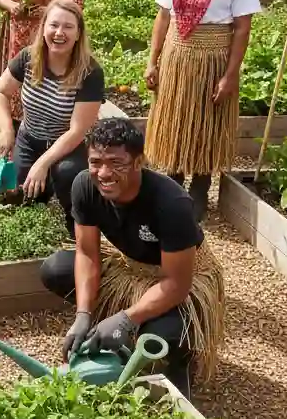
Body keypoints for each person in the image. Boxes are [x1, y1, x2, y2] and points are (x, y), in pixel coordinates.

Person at [39, 118, 225, 400]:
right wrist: (83, 314)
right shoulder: (85, 187)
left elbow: (177, 284)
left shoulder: (171, 204)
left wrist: (127, 319)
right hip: (130, 268)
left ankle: (179, 358)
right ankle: (107, 326)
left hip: (177, 280)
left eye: (116, 162)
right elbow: (88, 253)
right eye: (96, 162)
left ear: (139, 162)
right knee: (56, 269)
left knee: (162, 334)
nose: (104, 173)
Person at [144, 0, 261, 221]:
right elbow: (163, 16)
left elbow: (242, 27)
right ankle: (173, 182)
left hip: (214, 57)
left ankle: (199, 187)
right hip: (177, 55)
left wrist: (230, 74)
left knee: (206, 122)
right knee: (176, 118)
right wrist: (153, 60)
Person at [0, 0, 104, 233]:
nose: (59, 33)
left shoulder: (90, 72)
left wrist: (43, 163)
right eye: (54, 25)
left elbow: (77, 130)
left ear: (78, 34)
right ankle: (42, 193)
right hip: (29, 139)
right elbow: (0, 91)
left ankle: (76, 223)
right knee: (17, 198)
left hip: (68, 146)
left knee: (67, 176)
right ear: (43, 28)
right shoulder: (28, 58)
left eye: (68, 27)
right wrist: (7, 130)